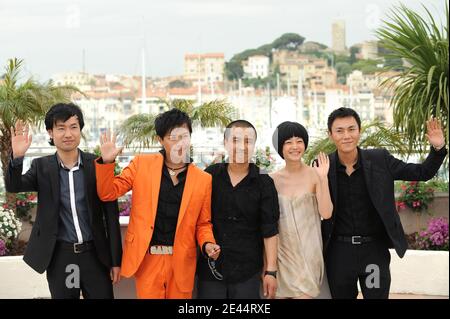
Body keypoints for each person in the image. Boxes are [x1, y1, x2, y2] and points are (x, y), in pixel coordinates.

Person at [323, 107, 447, 299]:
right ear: (330, 134)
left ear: (359, 131)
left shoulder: (380, 160)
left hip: (373, 252)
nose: (346, 135)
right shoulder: (323, 166)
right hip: (339, 254)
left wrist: (438, 149)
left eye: (351, 129)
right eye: (339, 130)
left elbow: (421, 172)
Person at [95, 108, 220, 299]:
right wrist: (107, 163)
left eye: (184, 136)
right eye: (173, 138)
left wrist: (208, 243)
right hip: (147, 260)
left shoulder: (203, 179)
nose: (180, 143)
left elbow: (203, 224)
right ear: (160, 140)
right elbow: (108, 193)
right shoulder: (141, 164)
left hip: (182, 261)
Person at [5, 103, 122, 299]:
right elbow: (14, 186)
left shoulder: (96, 165)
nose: (68, 133)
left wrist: (115, 260)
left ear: (80, 130)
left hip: (95, 256)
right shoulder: (41, 167)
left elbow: (111, 215)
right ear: (50, 133)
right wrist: (17, 158)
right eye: (61, 128)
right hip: (62, 258)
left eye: (73, 127)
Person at [196, 120, 280, 299]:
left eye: (248, 141)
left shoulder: (264, 182)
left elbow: (270, 229)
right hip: (211, 269)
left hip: (248, 271)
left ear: (254, 145)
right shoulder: (209, 175)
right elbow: (199, 219)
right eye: (235, 140)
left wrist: (271, 272)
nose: (241, 146)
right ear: (225, 143)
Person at [270, 121, 333, 299]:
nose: (295, 146)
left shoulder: (316, 175)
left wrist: (323, 179)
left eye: (299, 141)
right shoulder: (271, 180)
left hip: (309, 254)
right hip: (282, 256)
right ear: (280, 147)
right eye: (288, 142)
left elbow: (326, 213)